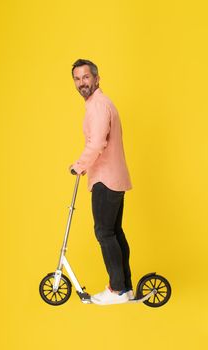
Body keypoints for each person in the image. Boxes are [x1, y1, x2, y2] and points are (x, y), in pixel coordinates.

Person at [70, 59, 134, 305]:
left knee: (104, 233)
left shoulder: (97, 106)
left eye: (86, 77)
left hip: (105, 180)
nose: (81, 83)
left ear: (96, 78)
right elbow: (100, 143)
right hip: (114, 177)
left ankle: (116, 289)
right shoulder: (103, 103)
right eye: (77, 79)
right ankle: (125, 287)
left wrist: (79, 165)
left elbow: (96, 144)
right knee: (114, 233)